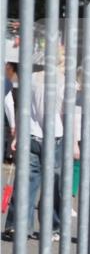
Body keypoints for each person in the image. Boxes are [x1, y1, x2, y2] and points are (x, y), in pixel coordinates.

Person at [3, 56, 65, 241]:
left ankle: (17, 225)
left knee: (26, 182)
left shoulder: (31, 78)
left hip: (30, 134)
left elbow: (22, 107)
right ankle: (52, 227)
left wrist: (17, 135)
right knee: (53, 185)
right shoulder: (63, 82)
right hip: (54, 137)